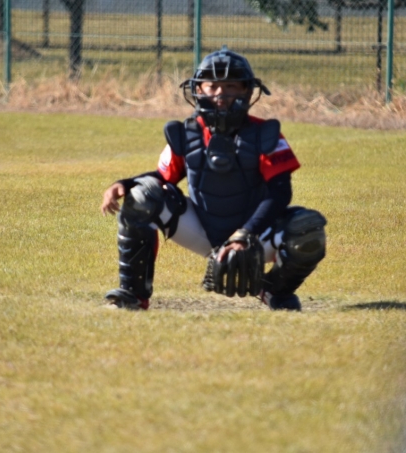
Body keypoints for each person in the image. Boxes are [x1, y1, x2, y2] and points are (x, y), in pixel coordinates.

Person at [100, 46, 327, 311]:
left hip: (254, 234)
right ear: (198, 89)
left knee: (307, 228)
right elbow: (163, 178)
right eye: (213, 86)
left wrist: (245, 234)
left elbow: (280, 193)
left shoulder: (265, 134)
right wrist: (123, 184)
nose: (221, 93)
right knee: (142, 195)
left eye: (231, 86)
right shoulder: (187, 133)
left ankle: (273, 290)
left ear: (246, 91)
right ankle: (133, 296)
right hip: (202, 230)